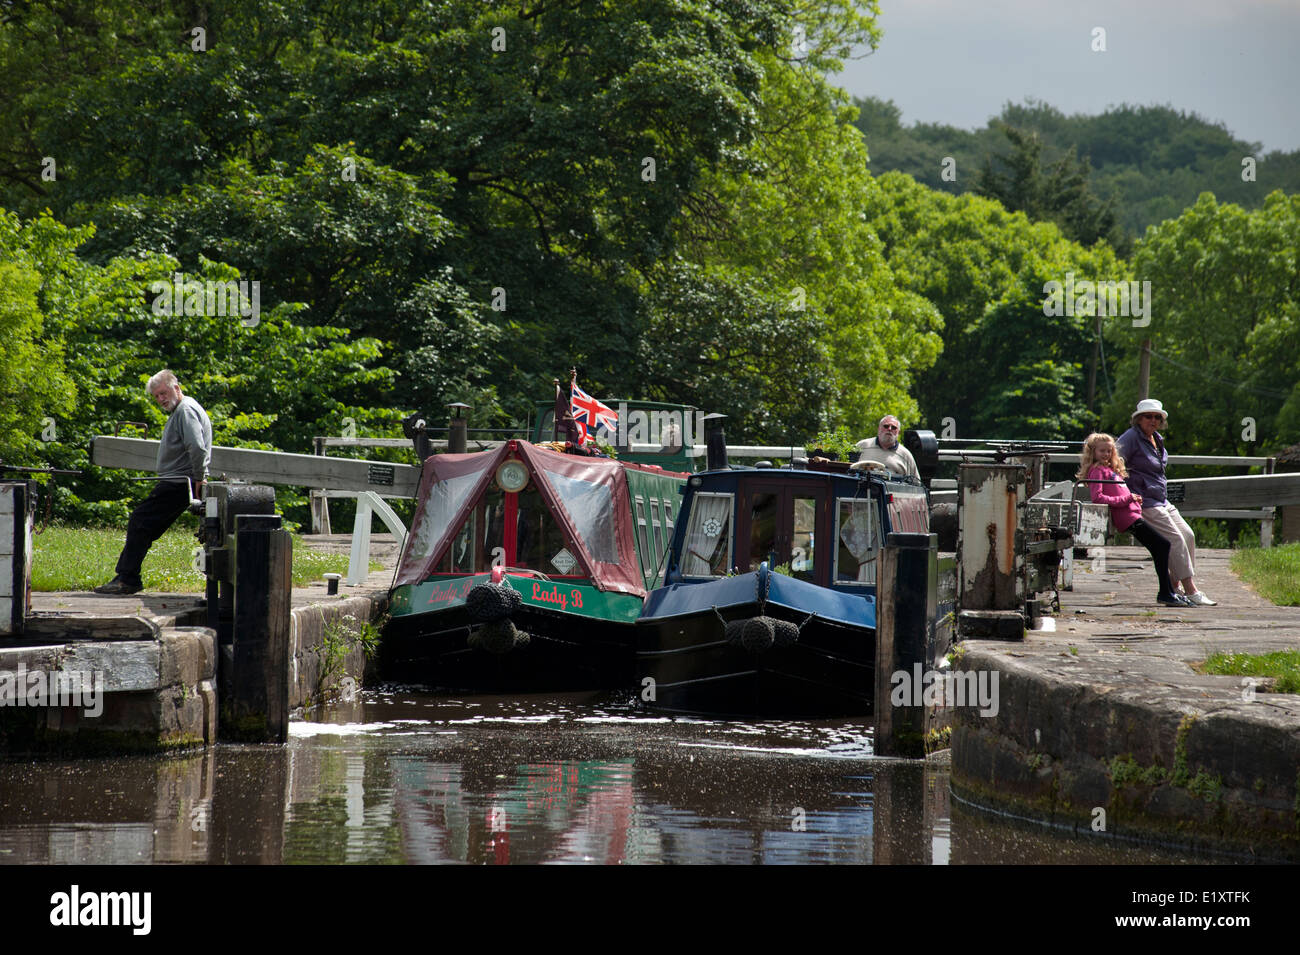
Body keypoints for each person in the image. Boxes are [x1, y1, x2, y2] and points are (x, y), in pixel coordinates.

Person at [94, 370, 212, 595]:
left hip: (179, 482)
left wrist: (200, 477)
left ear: (176, 387)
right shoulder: (184, 409)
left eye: (163, 393)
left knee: (140, 521)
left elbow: (197, 447)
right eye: (157, 396)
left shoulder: (185, 410)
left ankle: (127, 579)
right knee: (144, 526)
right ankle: (127, 577)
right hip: (180, 481)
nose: (161, 399)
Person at [1115, 398, 1216, 606]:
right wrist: (1125, 491)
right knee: (1175, 540)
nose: (1153, 421)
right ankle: (1191, 590)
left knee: (1188, 535)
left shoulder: (1157, 439)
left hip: (1161, 498)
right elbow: (1112, 461)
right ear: (1138, 419)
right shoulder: (1131, 438)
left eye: (1157, 417)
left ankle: (1172, 586)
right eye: (1148, 417)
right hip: (1145, 501)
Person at [1079, 433, 1188, 607]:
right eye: (1102, 451)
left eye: (1109, 451)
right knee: (1162, 545)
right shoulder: (1096, 471)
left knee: (1160, 547)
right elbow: (1098, 498)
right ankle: (1166, 592)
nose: (1106, 454)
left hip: (1132, 513)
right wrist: (1127, 499)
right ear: (1092, 452)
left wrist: (1132, 497)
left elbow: (1118, 491)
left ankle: (1168, 592)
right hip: (1126, 517)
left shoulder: (1109, 469)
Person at [850, 415, 920, 479]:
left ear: (898, 432)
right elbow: (847, 471)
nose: (889, 429)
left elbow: (916, 483)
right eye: (886, 426)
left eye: (894, 427)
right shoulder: (862, 446)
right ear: (879, 429)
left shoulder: (906, 455)